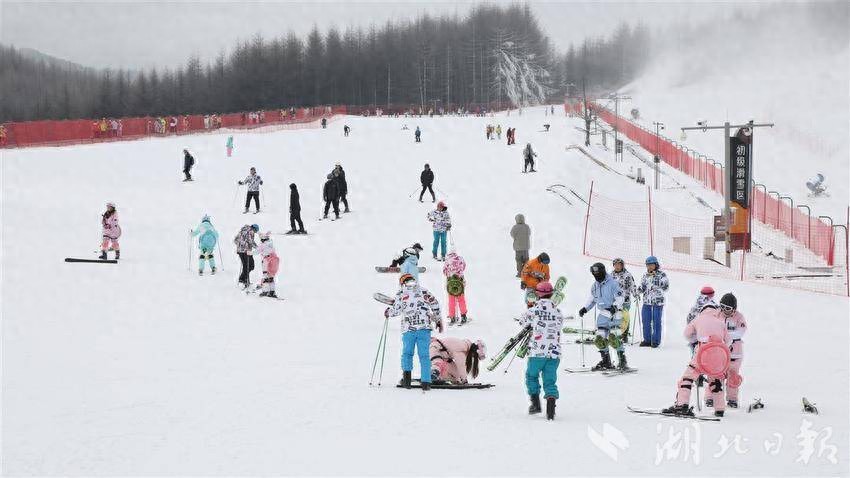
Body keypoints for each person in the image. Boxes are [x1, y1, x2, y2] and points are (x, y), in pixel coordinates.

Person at [662, 303, 730, 417]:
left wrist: (696, 338)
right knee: (716, 381)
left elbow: (687, 334)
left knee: (687, 378)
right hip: (719, 354)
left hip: (702, 352)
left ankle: (681, 405)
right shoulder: (720, 322)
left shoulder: (698, 319)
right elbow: (728, 341)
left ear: (702, 310)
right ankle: (719, 408)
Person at [384, 274, 443, 391]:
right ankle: (426, 383)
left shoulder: (401, 293)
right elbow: (435, 304)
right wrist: (438, 320)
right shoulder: (424, 291)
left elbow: (396, 310)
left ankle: (406, 381)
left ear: (402, 283)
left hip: (408, 330)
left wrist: (388, 312)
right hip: (424, 329)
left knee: (407, 354)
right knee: (424, 356)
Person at [521, 281, 564, 420]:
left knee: (531, 376)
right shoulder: (558, 311)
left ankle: (536, 404)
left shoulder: (533, 310)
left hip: (537, 351)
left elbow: (522, 322)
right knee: (550, 380)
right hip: (554, 352)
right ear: (551, 294)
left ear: (538, 294)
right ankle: (551, 411)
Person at [579, 263, 628, 371]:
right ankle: (606, 360)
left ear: (602, 271)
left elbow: (620, 297)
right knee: (599, 339)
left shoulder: (613, 283)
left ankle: (622, 360)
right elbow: (592, 299)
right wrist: (585, 308)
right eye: (594, 273)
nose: (596, 275)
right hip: (603, 315)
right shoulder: (595, 286)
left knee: (613, 338)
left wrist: (614, 307)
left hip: (615, 314)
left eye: (597, 272)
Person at [720, 293, 746, 408]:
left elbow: (740, 332)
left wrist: (725, 335)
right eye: (722, 306)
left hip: (735, 353)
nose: (725, 310)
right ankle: (711, 397)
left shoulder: (739, 317)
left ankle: (732, 399)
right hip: (719, 353)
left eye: (728, 308)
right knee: (716, 376)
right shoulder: (717, 315)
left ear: (734, 308)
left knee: (733, 376)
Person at [637, 256, 669, 348]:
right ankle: (647, 340)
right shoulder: (645, 275)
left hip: (657, 302)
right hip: (647, 301)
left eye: (651, 265)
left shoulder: (661, 275)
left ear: (656, 265)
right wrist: (638, 291)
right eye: (648, 265)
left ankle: (655, 341)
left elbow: (666, 286)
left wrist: (656, 281)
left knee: (656, 321)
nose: (650, 267)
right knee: (646, 320)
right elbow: (642, 286)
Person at [611, 258, 636, 342]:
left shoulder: (627, 275)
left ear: (622, 265)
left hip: (625, 300)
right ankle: (615, 334)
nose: (617, 266)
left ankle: (624, 335)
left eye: (619, 264)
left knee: (624, 318)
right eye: (616, 265)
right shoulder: (611, 275)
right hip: (615, 301)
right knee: (615, 317)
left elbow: (632, 286)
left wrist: (635, 294)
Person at [443, 251, 468, 325]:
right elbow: (464, 267)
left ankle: (452, 317)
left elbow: (445, 271)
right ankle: (463, 316)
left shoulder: (448, 261)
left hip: (451, 283)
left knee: (451, 301)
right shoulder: (460, 259)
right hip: (460, 283)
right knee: (461, 300)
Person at [256, 232, 280, 298]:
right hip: (275, 260)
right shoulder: (270, 243)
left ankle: (265, 291)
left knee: (265, 276)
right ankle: (272, 292)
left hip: (266, 261)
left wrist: (249, 253)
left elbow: (256, 251)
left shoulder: (262, 245)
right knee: (271, 277)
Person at [234, 224, 259, 288]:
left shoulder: (242, 230)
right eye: (256, 231)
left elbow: (235, 240)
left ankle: (242, 278)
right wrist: (258, 248)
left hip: (240, 251)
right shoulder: (251, 231)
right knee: (250, 265)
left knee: (246, 265)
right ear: (255, 229)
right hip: (246, 251)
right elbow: (251, 241)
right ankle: (245, 280)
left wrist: (240, 245)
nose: (255, 233)